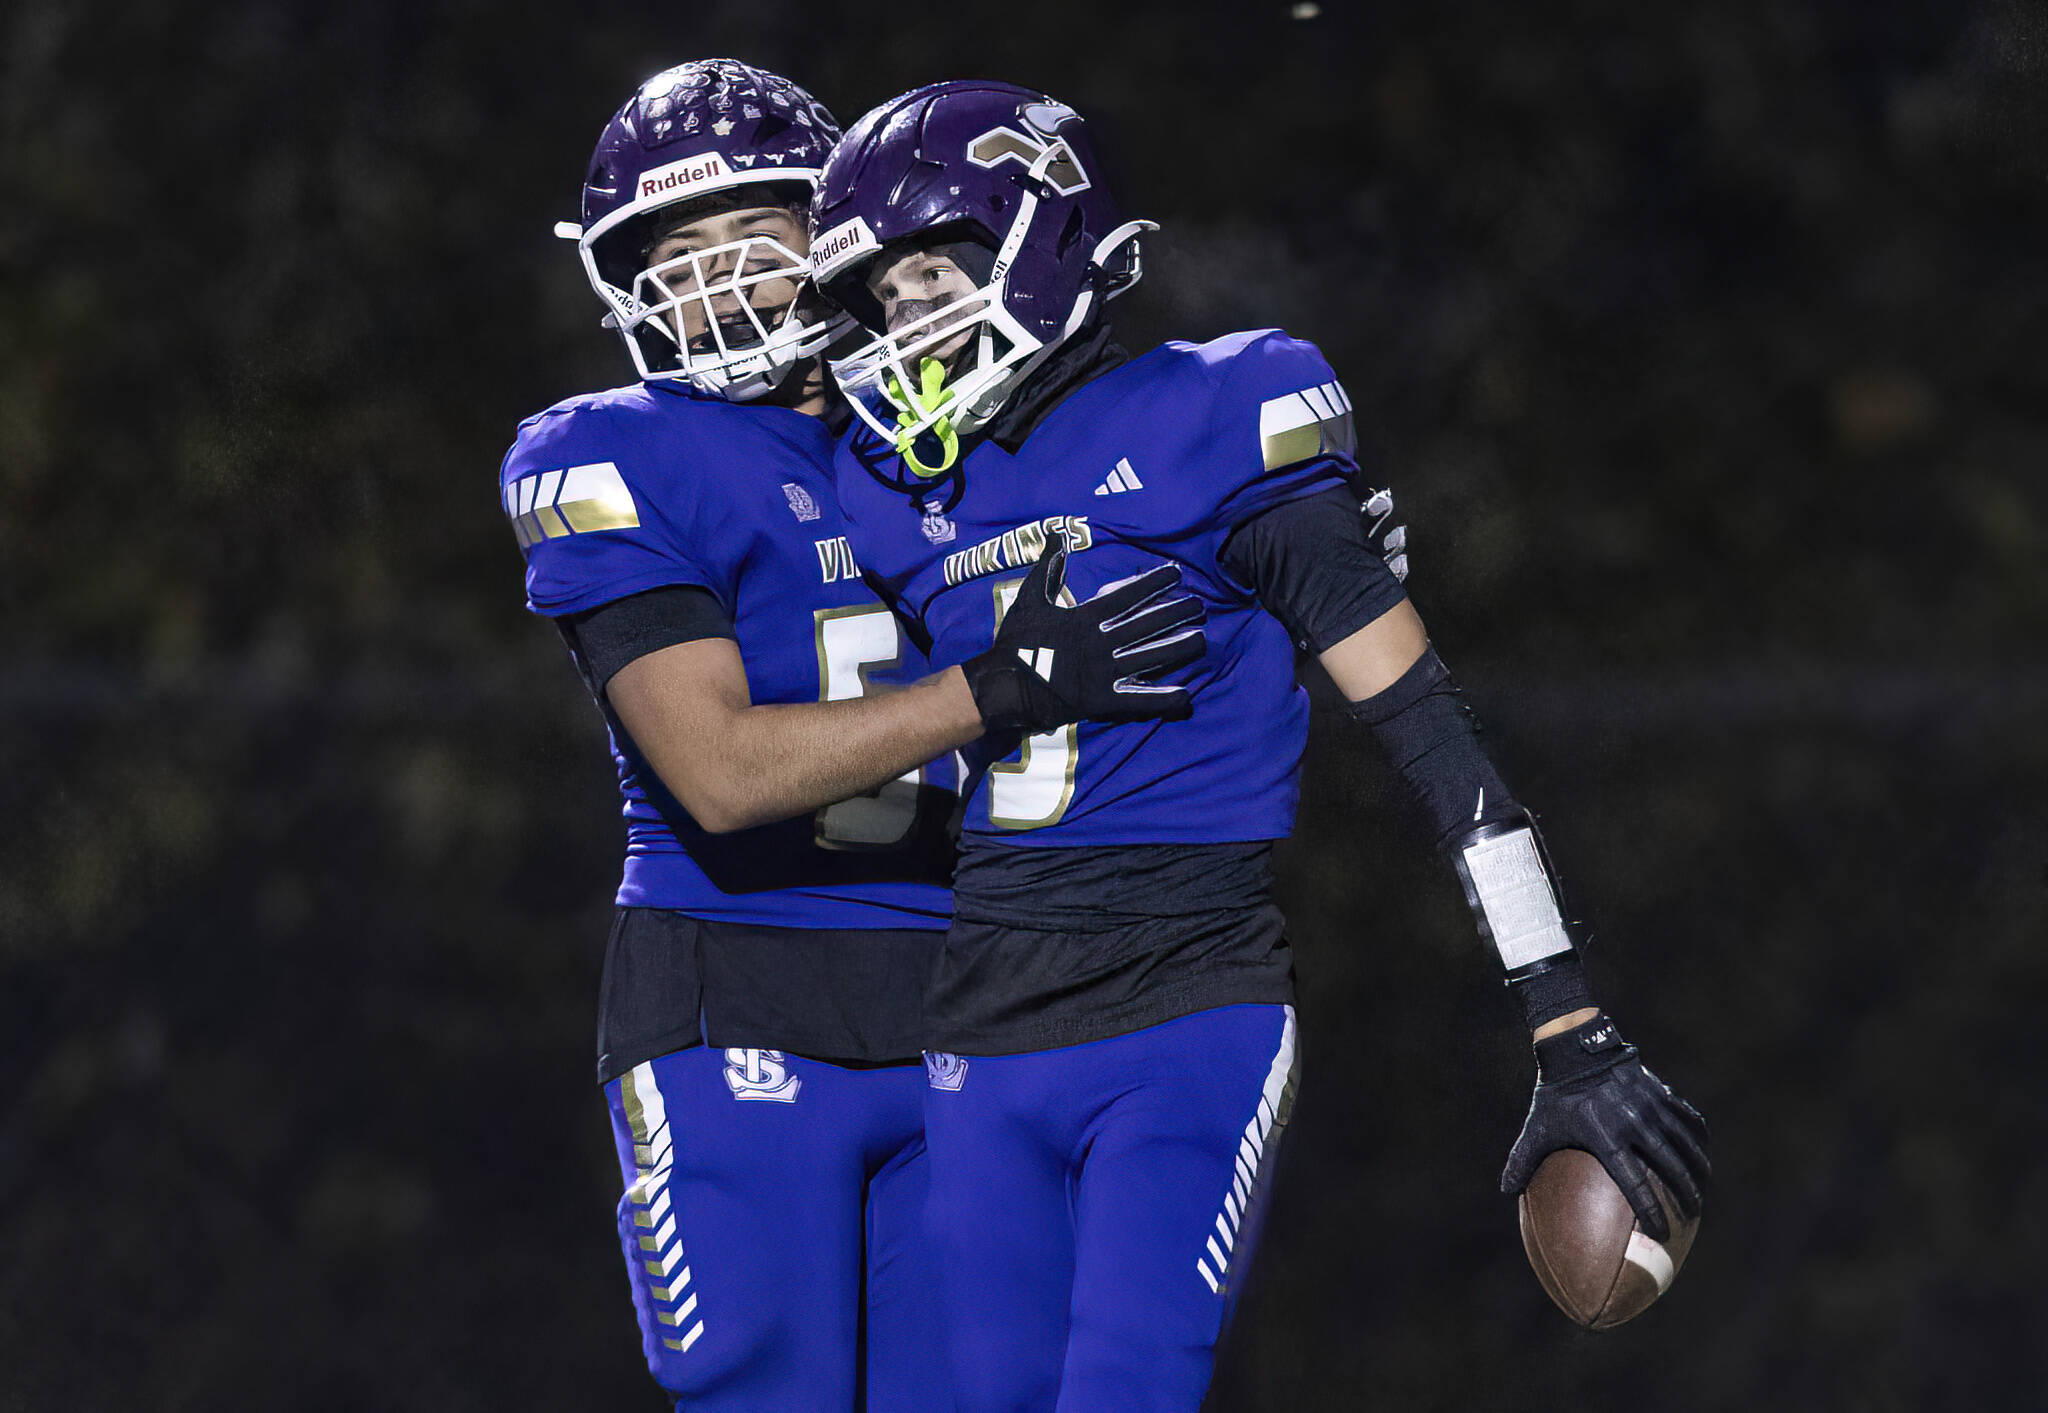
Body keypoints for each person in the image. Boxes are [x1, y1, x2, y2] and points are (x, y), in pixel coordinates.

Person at [808, 80, 1713, 1413]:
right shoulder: (891, 490)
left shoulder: (1220, 413)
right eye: (888, 299)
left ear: (1043, 241)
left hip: (1185, 1001)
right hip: (980, 1015)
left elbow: (1428, 731)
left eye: (932, 275)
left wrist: (1567, 1017)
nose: (909, 323)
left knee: (1124, 1391)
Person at [500, 60, 1204, 1413]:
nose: (717, 282)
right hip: (738, 1000)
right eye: (677, 255)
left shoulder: (960, 431)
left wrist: (1291, 550)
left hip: (971, 1002)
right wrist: (995, 688)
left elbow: (1150, 596)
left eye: (752, 235)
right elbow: (719, 774)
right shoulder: (616, 451)